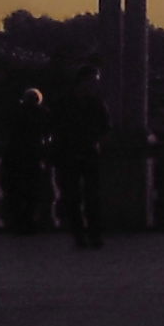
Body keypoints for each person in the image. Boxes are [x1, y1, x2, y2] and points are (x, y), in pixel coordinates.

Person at [55, 74, 110, 249]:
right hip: (76, 154)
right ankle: (83, 235)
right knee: (75, 198)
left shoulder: (90, 103)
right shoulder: (93, 104)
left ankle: (90, 235)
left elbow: (105, 127)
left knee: (89, 197)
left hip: (81, 154)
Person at [2, 85, 49, 235]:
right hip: (33, 157)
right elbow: (47, 133)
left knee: (15, 192)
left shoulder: (15, 112)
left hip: (14, 156)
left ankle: (16, 223)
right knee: (32, 193)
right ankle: (30, 223)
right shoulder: (43, 113)